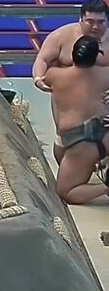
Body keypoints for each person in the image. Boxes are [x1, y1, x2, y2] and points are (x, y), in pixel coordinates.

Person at [33, 0, 109, 163]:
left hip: (103, 99)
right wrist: (39, 78)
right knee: (64, 143)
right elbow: (42, 59)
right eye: (90, 21)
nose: (95, 27)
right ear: (80, 19)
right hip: (68, 99)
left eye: (100, 22)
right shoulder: (62, 36)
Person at [44, 36, 109, 204]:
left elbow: (41, 73)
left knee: (66, 191)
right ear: (97, 56)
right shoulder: (106, 73)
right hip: (106, 133)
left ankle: (106, 188)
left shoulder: (54, 75)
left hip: (79, 141)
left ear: (71, 55)